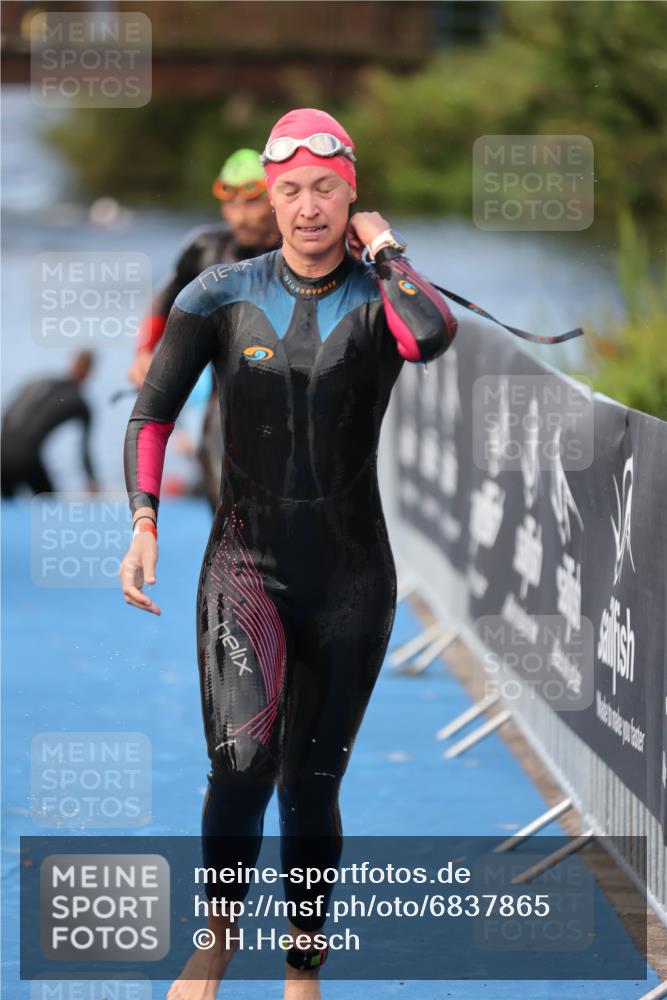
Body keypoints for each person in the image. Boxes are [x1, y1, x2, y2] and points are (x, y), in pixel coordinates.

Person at [120, 108, 457, 1000]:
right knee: (239, 765)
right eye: (290, 191)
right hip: (244, 567)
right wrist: (143, 521)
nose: (308, 208)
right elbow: (151, 413)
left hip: (352, 577)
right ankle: (217, 935)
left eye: (326, 190)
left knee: (312, 786)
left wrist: (388, 254)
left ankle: (301, 969)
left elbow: (430, 336)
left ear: (353, 194)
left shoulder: (386, 297)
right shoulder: (219, 294)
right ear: (269, 199)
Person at [127, 148, 282, 509]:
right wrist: (144, 352)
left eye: (252, 203)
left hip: (293, 402)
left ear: (275, 199)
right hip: (224, 402)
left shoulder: (302, 250)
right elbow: (164, 300)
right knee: (224, 508)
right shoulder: (206, 248)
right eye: (231, 205)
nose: (239, 217)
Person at [1, 350, 98, 496]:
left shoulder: (41, 382)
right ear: (89, 372)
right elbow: (83, 451)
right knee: (50, 510)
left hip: (3, 451)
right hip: (28, 457)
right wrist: (92, 481)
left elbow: (8, 413)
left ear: (71, 363)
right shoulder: (80, 403)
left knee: (7, 511)